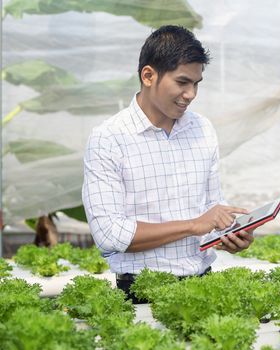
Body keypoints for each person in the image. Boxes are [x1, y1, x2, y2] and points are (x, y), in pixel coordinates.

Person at [82, 25, 254, 303]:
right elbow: (109, 234)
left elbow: (210, 209)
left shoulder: (202, 129)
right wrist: (193, 225)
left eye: (197, 84)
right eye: (182, 82)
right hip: (142, 291)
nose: (191, 94)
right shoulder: (109, 138)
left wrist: (229, 234)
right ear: (148, 76)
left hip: (202, 283)